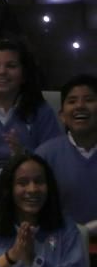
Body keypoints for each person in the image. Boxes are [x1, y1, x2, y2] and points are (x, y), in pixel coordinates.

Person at [36, 74, 97, 238]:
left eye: (89, 100)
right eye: (72, 101)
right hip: (60, 246)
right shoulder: (44, 155)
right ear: (62, 116)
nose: (80, 106)